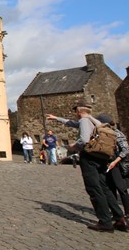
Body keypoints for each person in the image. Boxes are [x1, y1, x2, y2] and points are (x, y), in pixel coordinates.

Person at [47, 99, 128, 232]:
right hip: (101, 157)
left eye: (75, 111)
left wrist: (73, 146)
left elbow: (84, 140)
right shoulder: (94, 121)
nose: (75, 114)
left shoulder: (84, 121)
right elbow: (72, 123)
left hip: (89, 157)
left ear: (79, 111)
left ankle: (105, 222)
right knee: (105, 188)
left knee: (94, 188)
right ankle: (120, 218)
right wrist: (57, 118)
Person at [96, 114, 129, 218]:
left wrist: (115, 161)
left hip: (117, 165)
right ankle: (116, 213)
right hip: (106, 163)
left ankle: (128, 212)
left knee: (121, 189)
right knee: (110, 189)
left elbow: (125, 149)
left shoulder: (117, 133)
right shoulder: (100, 134)